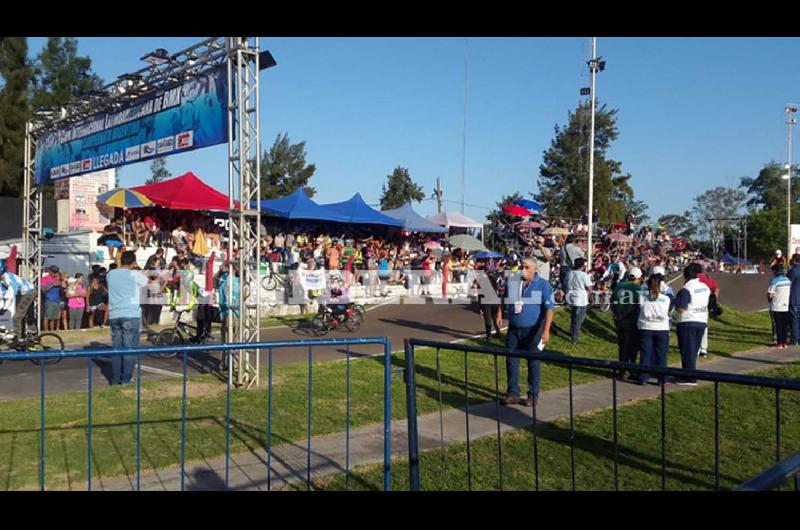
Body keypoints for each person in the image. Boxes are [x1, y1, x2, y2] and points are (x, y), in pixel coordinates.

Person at [501, 258, 555, 408]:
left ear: (535, 269)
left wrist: (546, 330)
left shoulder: (543, 285)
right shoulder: (513, 282)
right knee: (511, 360)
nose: (523, 269)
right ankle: (513, 393)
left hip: (534, 329)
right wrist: (499, 313)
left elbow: (550, 308)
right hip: (514, 329)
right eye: (521, 266)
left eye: (527, 267)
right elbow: (504, 298)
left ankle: (533, 395)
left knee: (533, 362)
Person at [107, 251, 147, 386]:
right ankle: (126, 379)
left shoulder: (110, 274)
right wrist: (138, 268)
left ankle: (115, 379)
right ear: (133, 262)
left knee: (117, 349)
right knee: (130, 349)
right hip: (131, 313)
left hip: (114, 314)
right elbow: (146, 282)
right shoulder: (135, 274)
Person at [673, 263, 710, 386]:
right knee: (693, 350)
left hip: (687, 321)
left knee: (687, 350)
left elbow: (681, 308)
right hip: (701, 320)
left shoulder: (686, 289)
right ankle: (689, 373)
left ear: (685, 276)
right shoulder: (705, 287)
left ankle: (689, 377)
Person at [636, 272, 675, 385]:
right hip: (661, 328)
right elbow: (668, 310)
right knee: (661, 355)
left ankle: (643, 377)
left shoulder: (642, 297)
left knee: (645, 353)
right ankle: (662, 379)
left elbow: (640, 308)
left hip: (645, 327)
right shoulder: (666, 299)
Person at [611, 267, 642, 380]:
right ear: (638, 278)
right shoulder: (636, 289)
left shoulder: (619, 286)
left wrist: (616, 314)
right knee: (632, 348)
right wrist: (623, 315)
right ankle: (630, 370)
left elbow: (612, 301)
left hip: (619, 321)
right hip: (631, 322)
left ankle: (621, 369)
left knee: (622, 346)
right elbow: (633, 306)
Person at [566, 257, 592, 344]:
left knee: (574, 316)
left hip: (570, 296)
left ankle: (572, 331)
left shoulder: (569, 273)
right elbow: (589, 288)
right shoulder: (584, 275)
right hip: (580, 299)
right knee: (579, 319)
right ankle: (575, 337)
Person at [767, 265, 791, 349]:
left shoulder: (774, 281)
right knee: (784, 325)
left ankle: (779, 343)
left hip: (776, 306)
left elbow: (770, 294)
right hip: (786, 305)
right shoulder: (788, 280)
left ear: (776, 272)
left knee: (778, 325)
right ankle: (784, 342)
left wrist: (769, 300)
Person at [478, 265, 503, 340]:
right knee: (491, 319)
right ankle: (493, 334)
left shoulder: (486, 280)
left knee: (491, 318)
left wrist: (480, 306)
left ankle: (493, 334)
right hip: (490, 302)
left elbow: (480, 295)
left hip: (490, 301)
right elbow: (480, 294)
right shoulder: (491, 279)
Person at [558, 234, 584, 298]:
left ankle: (563, 298)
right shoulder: (575, 248)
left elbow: (560, 257)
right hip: (570, 267)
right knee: (571, 284)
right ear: (574, 241)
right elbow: (583, 255)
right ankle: (569, 298)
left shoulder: (562, 247)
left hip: (563, 267)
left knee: (564, 284)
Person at [41, 265, 62, 331]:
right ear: (50, 271)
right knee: (47, 318)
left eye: (56, 272)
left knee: (53, 318)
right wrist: (52, 285)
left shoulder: (57, 278)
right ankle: (46, 331)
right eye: (54, 272)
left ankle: (52, 331)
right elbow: (43, 290)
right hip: (49, 300)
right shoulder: (44, 279)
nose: (55, 274)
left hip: (57, 301)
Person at [787, 253, 800, 345]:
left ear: (795, 261)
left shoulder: (793, 271)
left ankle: (794, 339)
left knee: (793, 320)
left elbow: (787, 283)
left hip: (794, 298)